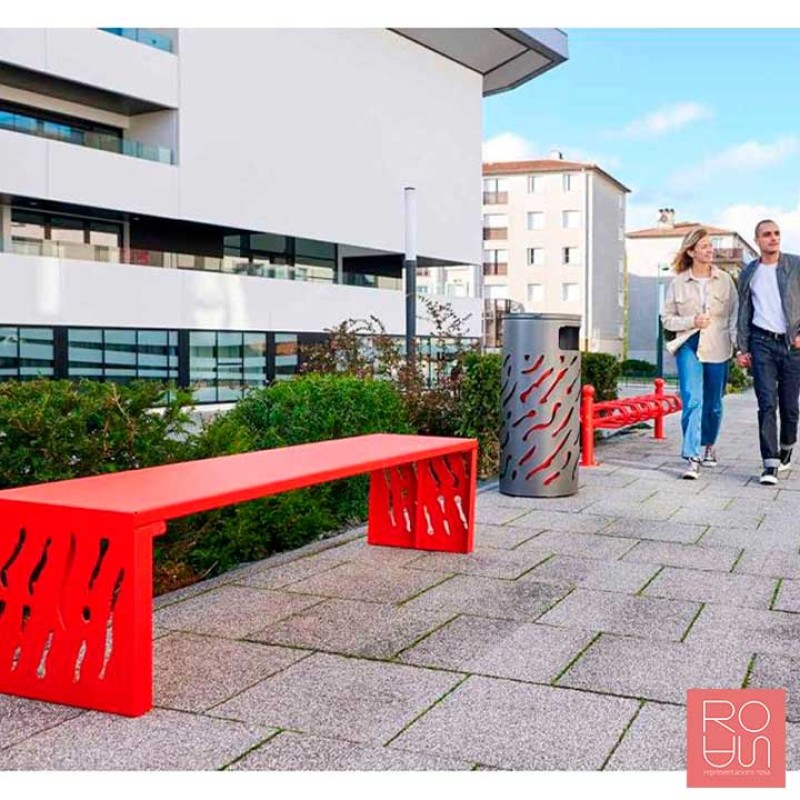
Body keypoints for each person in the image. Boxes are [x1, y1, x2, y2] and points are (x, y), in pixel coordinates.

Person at [661, 228, 738, 479]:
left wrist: (738, 347)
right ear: (692, 251)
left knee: (714, 404)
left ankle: (708, 445)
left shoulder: (725, 279)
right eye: (704, 246)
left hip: (718, 345)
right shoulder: (678, 282)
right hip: (689, 344)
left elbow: (735, 315)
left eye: (710, 245)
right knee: (692, 399)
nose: (709, 250)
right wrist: (691, 321)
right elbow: (667, 320)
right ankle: (691, 457)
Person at [736, 219, 800, 485]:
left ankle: (786, 447)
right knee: (766, 403)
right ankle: (769, 464)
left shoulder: (796, 265)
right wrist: (742, 347)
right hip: (761, 342)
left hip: (792, 344)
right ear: (757, 240)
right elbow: (743, 312)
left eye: (776, 233)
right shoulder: (749, 273)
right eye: (767, 234)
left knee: (790, 407)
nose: (773, 238)